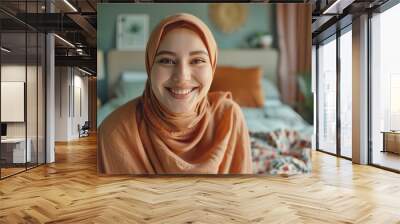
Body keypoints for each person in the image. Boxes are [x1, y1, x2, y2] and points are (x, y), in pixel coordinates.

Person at [98, 13, 252, 174]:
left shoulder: (228, 118)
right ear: (150, 67)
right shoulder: (113, 131)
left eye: (197, 60)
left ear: (212, 67)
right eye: (166, 60)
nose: (182, 76)